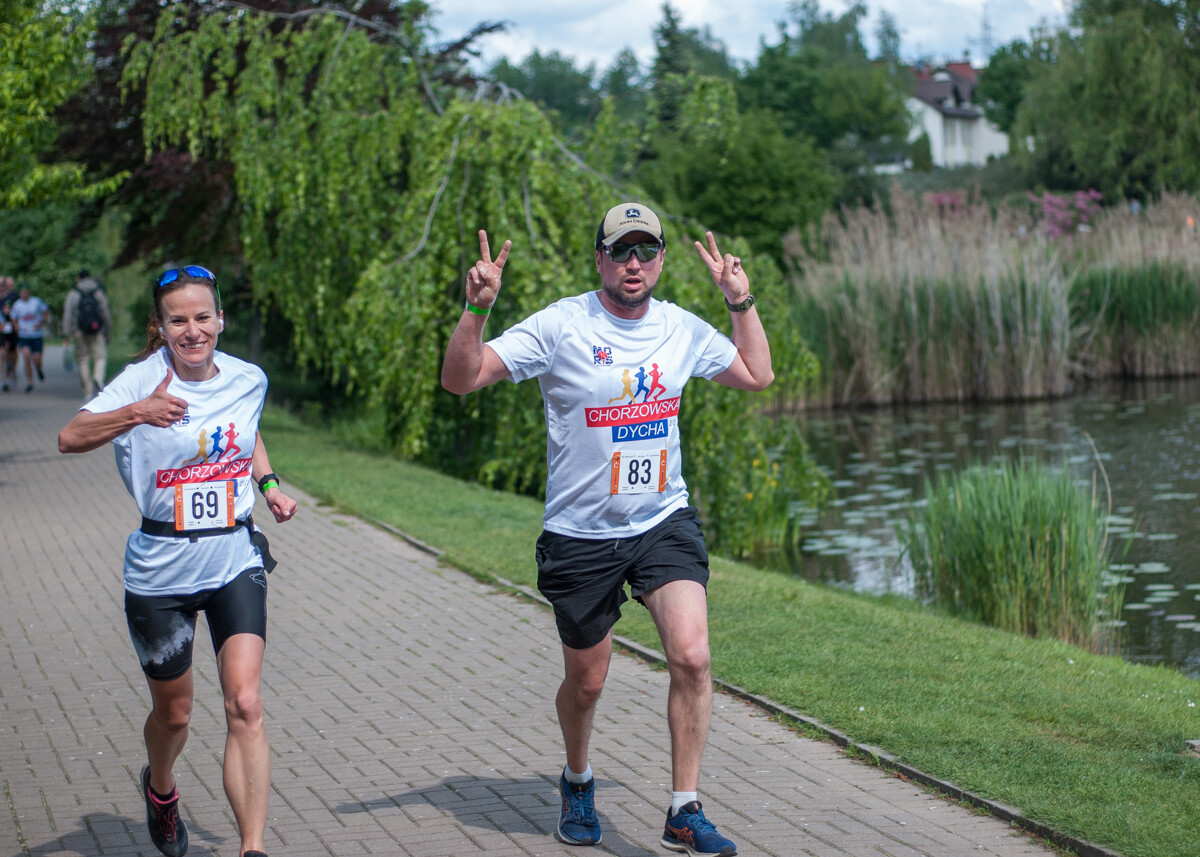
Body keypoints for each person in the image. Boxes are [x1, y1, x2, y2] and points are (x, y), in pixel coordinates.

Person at [441, 203, 772, 857]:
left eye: (647, 251)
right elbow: (461, 379)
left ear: (661, 260)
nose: (634, 263)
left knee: (693, 655)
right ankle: (578, 777)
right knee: (588, 681)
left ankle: (684, 807)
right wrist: (476, 309)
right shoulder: (563, 324)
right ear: (599, 258)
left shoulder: (679, 327)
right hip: (580, 534)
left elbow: (756, 374)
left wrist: (742, 301)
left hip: (661, 520)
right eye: (621, 251)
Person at [58, 265, 297, 857]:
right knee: (176, 715)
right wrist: (137, 413)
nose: (192, 330)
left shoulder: (249, 378)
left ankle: (253, 847)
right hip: (160, 567)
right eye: (178, 320)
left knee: (245, 702)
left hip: (232, 556)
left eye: (201, 317)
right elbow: (70, 436)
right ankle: (160, 788)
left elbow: (246, 431)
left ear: (220, 319)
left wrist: (266, 484)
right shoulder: (140, 381)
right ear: (160, 328)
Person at [62, 269, 113, 399]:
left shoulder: (74, 293)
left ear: (78, 279)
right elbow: (105, 312)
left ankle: (88, 392)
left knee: (83, 359)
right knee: (100, 356)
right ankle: (98, 377)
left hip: (79, 331)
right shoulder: (98, 292)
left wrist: (66, 334)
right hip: (97, 330)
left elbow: (67, 314)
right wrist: (107, 330)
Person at [10, 282, 50, 392]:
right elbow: (13, 317)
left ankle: (39, 369)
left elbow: (46, 311)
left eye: (26, 292)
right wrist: (16, 325)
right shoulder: (17, 305)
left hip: (36, 335)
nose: (24, 294)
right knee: (26, 355)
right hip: (24, 335)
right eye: (22, 293)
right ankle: (30, 381)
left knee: (37, 358)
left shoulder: (36, 301)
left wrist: (41, 321)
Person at [0, 275, 18, 391]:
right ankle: (5, 379)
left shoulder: (13, 296)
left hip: (11, 328)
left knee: (12, 352)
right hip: (1, 329)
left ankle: (12, 370)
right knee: (2, 353)